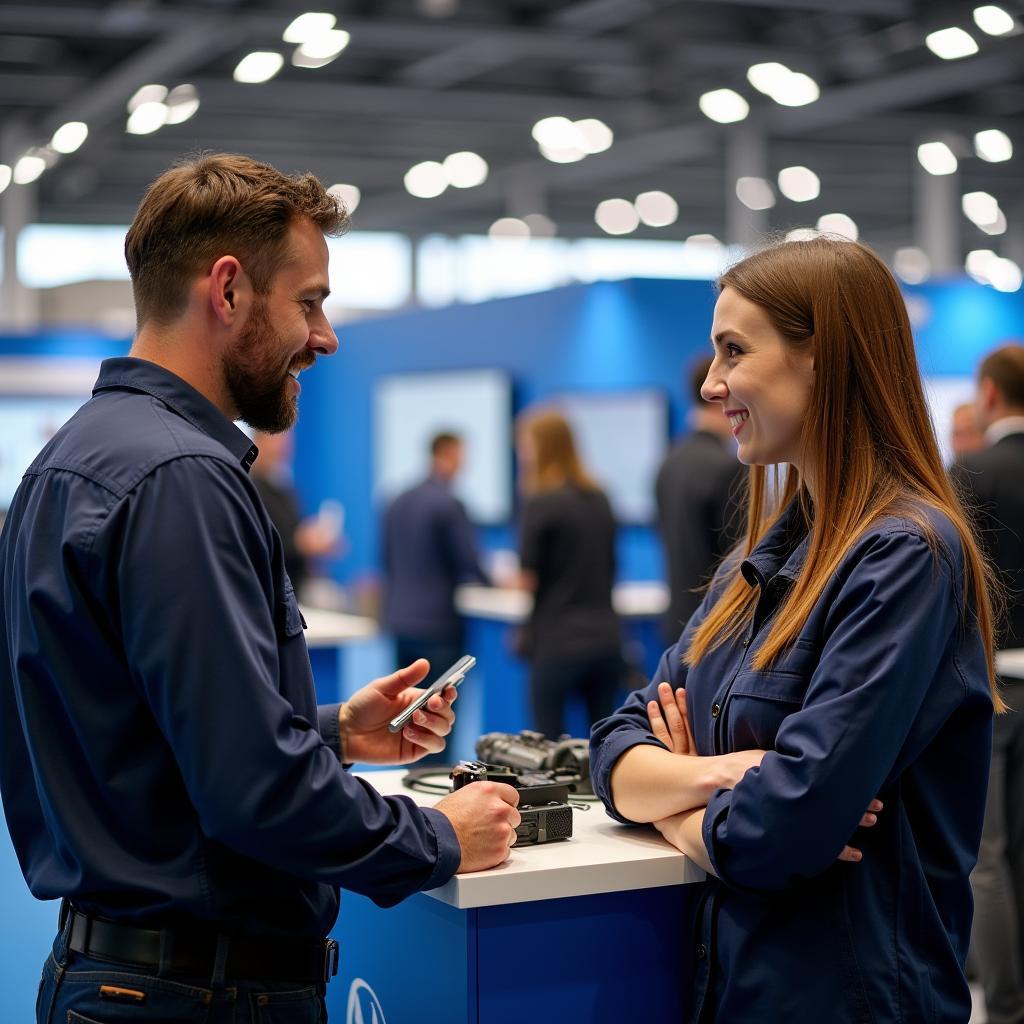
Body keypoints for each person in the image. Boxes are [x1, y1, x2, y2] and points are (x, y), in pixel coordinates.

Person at [0, 153, 520, 1024]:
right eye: (309, 301)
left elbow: (132, 728)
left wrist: (331, 734)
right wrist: (437, 837)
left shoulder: (70, 460)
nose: (326, 336)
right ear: (229, 290)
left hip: (116, 975)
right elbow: (252, 792)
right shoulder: (181, 478)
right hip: (197, 993)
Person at [590, 235, 1001, 1023]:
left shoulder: (906, 556)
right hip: (736, 988)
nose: (712, 384)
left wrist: (672, 799)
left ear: (825, 357)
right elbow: (613, 742)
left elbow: (784, 831)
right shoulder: (758, 562)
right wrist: (724, 778)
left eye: (734, 351)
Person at [952, 343, 1024, 1024]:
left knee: (989, 854)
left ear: (991, 397)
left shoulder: (970, 472)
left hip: (995, 683)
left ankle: (1003, 1007)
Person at [516, 408, 621, 739]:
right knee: (604, 742)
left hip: (557, 639)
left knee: (547, 746)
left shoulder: (541, 502)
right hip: (606, 637)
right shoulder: (600, 497)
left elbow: (527, 577)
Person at [655, 354, 746, 644]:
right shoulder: (728, 467)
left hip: (677, 625)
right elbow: (739, 559)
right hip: (718, 628)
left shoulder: (669, 463)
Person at [381, 431, 489, 673]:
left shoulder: (397, 500)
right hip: (439, 626)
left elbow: (386, 558)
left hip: (400, 620)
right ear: (447, 454)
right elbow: (469, 562)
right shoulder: (449, 504)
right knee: (440, 706)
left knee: (405, 702)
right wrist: (495, 583)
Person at [250, 428, 341, 601]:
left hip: (292, 588)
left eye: (285, 440)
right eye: (275, 439)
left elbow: (296, 531)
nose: (283, 446)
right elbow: (258, 542)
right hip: (266, 591)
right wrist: (300, 543)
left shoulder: (287, 488)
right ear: (259, 441)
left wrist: (317, 542)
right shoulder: (250, 486)